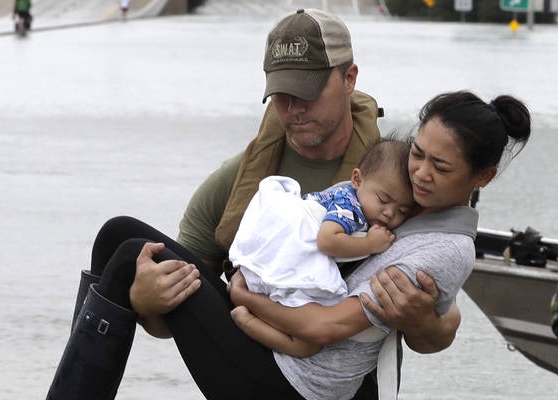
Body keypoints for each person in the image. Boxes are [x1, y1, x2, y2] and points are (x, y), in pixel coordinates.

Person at [46, 9, 494, 399]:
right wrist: (143, 303)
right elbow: (180, 312)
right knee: (118, 237)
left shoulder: (397, 175)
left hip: (330, 383)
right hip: (252, 348)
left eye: (308, 90)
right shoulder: (238, 181)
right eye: (282, 93)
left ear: (349, 78)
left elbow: (438, 304)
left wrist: (427, 322)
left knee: (123, 250)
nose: (294, 107)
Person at [226, 90, 530, 399]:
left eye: (441, 167)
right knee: (181, 264)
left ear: (484, 176)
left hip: (298, 378)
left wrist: (245, 298)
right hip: (278, 336)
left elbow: (324, 328)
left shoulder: (446, 247)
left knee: (185, 273)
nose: (421, 174)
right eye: (418, 153)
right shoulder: (394, 187)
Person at [229, 139, 415, 358]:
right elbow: (327, 242)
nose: (389, 213)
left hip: (274, 256)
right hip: (289, 255)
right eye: (383, 199)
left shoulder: (352, 199)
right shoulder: (349, 207)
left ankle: (252, 315)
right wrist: (371, 244)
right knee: (306, 345)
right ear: (357, 179)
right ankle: (247, 320)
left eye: (402, 210)